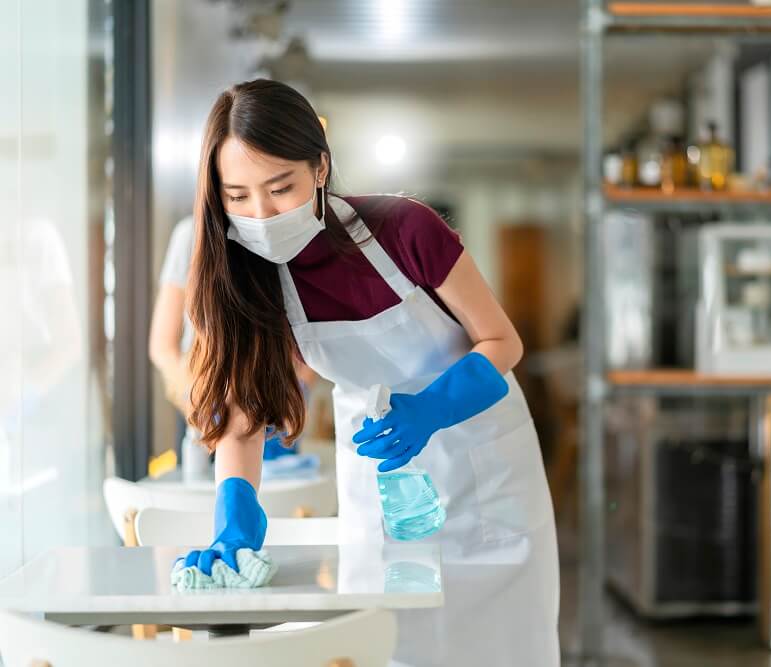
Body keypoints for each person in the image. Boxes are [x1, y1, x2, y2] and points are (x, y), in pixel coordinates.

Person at [179, 79, 559, 666]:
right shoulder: (247, 275)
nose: (261, 214)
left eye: (281, 187)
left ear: (320, 168)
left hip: (485, 466)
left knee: (501, 647)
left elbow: (501, 341)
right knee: (385, 647)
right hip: (382, 478)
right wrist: (233, 513)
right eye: (238, 196)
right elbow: (242, 418)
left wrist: (434, 407)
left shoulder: (406, 230)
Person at [150, 217, 316, 481]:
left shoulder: (288, 232)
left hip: (277, 403)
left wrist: (300, 389)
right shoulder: (191, 236)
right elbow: (163, 346)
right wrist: (198, 403)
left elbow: (311, 334)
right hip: (205, 406)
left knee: (279, 509)